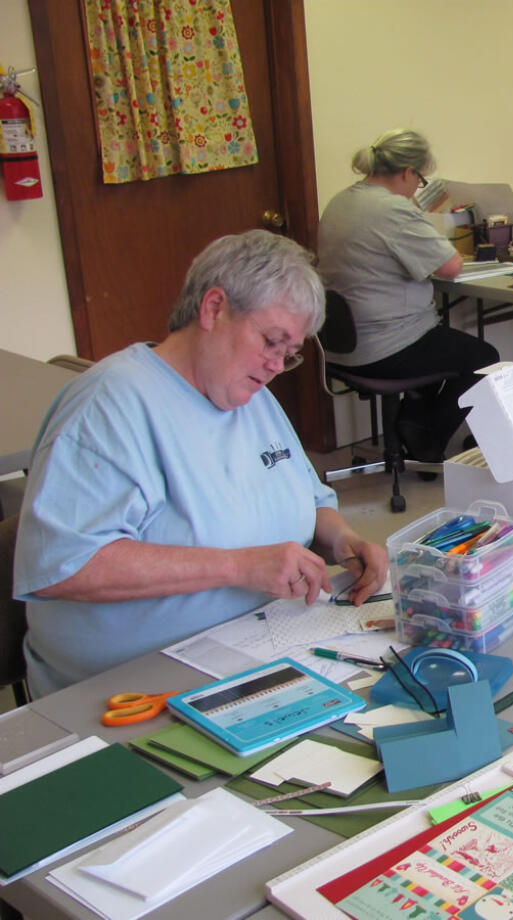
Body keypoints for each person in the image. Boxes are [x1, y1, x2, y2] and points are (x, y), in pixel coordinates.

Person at [14, 230, 388, 697]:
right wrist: (238, 567)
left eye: (289, 354)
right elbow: (65, 565)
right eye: (271, 341)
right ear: (213, 309)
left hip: (258, 648)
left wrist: (344, 541)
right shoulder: (109, 407)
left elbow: (308, 498)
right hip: (129, 687)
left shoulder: (249, 395)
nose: (276, 365)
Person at [317, 128, 500, 460]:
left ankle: (413, 420)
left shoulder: (340, 201)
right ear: (407, 172)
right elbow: (451, 266)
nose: (418, 187)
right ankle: (426, 435)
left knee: (439, 339)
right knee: (483, 358)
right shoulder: (392, 209)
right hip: (385, 346)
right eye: (420, 179)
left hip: (338, 344)